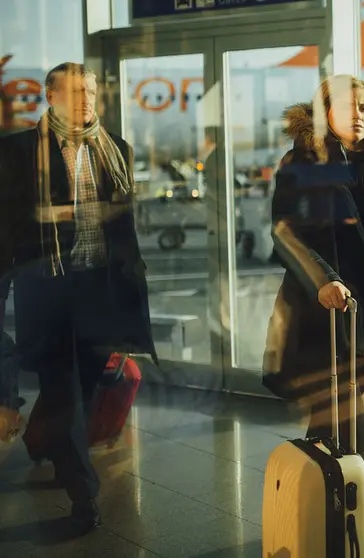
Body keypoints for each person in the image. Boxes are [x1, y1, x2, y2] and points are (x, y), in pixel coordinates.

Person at [0, 62, 155, 533]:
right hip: (45, 289)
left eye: (90, 91)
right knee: (64, 389)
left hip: (98, 290)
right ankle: (83, 493)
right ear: (50, 97)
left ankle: (50, 445)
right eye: (73, 91)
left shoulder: (116, 150)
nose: (85, 99)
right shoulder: (19, 152)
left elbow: (122, 228)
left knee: (84, 391)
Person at [263, 75, 364, 558]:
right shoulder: (301, 163)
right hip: (320, 318)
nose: (358, 114)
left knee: (331, 431)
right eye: (348, 106)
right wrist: (324, 277)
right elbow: (285, 232)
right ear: (324, 111)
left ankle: (311, 524)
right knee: (345, 425)